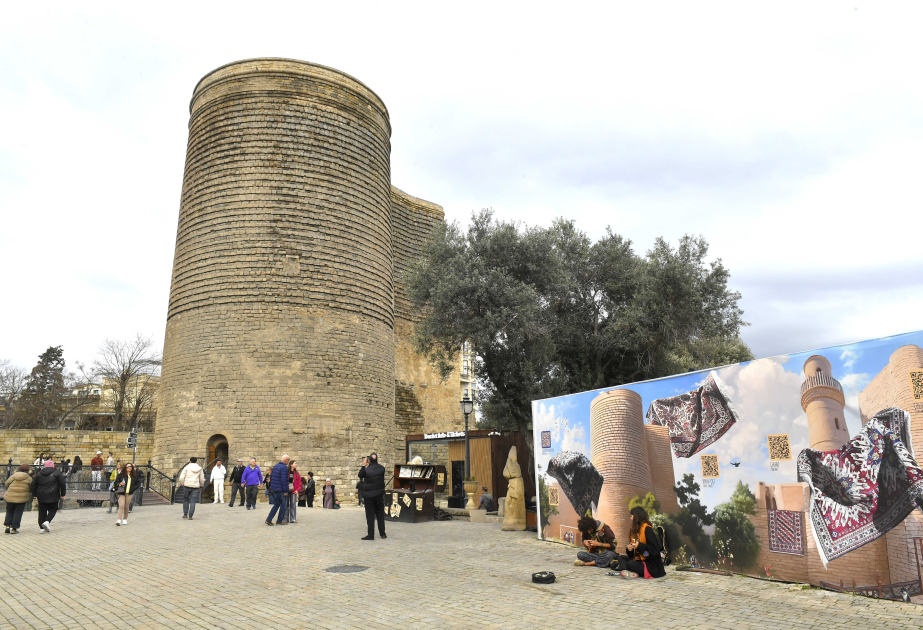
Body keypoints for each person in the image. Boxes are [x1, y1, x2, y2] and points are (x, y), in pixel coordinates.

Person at [615, 506, 666, 579]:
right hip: (638, 559)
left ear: (636, 517)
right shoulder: (634, 530)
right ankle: (628, 572)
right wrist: (629, 549)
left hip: (649, 562)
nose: (630, 518)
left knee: (630, 564)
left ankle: (628, 570)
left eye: (632, 516)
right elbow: (632, 555)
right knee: (621, 558)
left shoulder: (647, 529)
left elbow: (654, 551)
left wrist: (639, 546)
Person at [31, 460, 66, 533]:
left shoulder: (39, 473)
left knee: (42, 511)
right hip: (53, 494)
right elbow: (62, 484)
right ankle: (47, 521)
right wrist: (62, 494)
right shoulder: (57, 473)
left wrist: (35, 495)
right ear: (53, 466)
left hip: (41, 495)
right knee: (53, 509)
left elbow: (33, 485)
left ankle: (41, 528)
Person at [358, 453, 386, 540]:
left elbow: (360, 475)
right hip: (379, 495)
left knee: (370, 516)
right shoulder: (382, 468)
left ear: (369, 460)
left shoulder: (366, 470)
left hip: (369, 496)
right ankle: (382, 533)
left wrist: (364, 465)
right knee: (380, 514)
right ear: (377, 459)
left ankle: (371, 535)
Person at [4, 464, 32, 534]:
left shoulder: (13, 476)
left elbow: (6, 483)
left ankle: (7, 526)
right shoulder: (29, 478)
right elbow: (31, 488)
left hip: (10, 497)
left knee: (9, 511)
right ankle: (14, 528)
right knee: (18, 513)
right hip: (21, 498)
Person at [265, 455, 290, 526]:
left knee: (276, 504)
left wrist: (272, 488)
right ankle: (279, 520)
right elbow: (284, 480)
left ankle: (269, 519)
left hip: (275, 489)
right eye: (288, 461)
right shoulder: (284, 467)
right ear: (286, 460)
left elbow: (272, 477)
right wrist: (286, 491)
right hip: (281, 489)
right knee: (283, 504)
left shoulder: (276, 466)